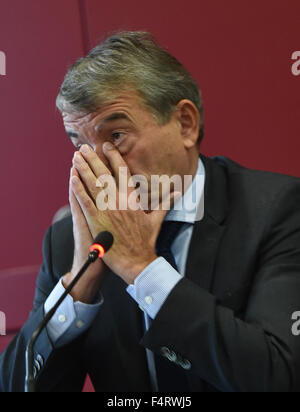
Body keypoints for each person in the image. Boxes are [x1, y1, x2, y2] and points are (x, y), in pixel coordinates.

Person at [1, 31, 300, 393]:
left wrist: (141, 268)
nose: (100, 167)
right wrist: (78, 287)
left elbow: (279, 376)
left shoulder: (278, 210)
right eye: (79, 144)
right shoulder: (70, 239)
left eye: (115, 137)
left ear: (185, 124)